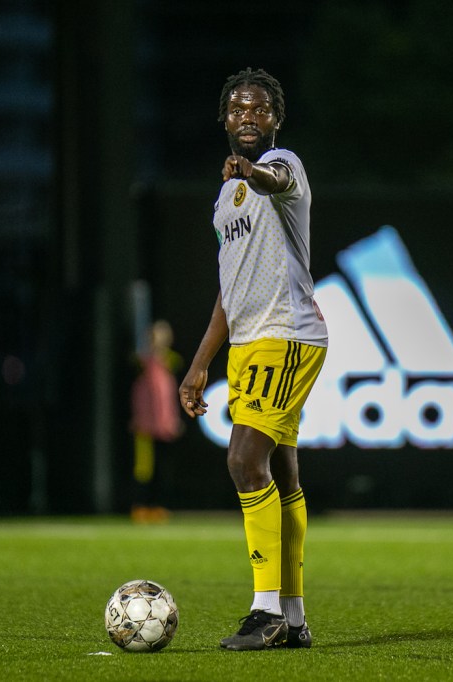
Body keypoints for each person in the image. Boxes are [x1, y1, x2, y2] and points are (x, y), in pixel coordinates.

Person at [179, 68, 327, 651]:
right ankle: (292, 618)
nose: (249, 117)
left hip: (285, 334)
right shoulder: (224, 201)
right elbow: (229, 286)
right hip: (246, 342)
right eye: (239, 109)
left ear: (276, 120)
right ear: (224, 119)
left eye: (260, 109)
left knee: (244, 461)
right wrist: (198, 363)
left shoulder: (283, 167)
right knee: (281, 470)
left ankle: (264, 611)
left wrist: (251, 169)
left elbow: (272, 179)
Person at [129, 319, 183, 523]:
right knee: (143, 468)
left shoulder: (171, 362)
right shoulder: (142, 362)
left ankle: (157, 506)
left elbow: (168, 396)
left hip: (165, 426)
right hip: (144, 426)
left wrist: (174, 420)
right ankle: (140, 506)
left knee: (162, 467)